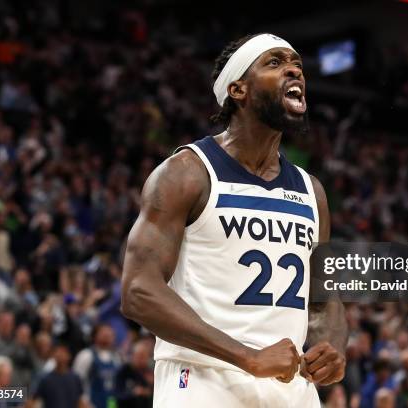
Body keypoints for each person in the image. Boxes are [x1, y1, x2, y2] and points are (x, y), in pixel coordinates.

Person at [121, 33, 347, 407]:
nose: (294, 70)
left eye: (297, 65)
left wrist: (333, 346)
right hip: (203, 379)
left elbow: (324, 298)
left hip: (290, 385)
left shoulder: (312, 191)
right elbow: (138, 291)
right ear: (238, 89)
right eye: (274, 63)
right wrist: (247, 356)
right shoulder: (186, 172)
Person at [29, 344, 87, 408]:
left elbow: (80, 401)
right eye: (57, 352)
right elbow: (32, 400)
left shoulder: (75, 378)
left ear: (69, 356)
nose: (59, 354)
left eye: (63, 352)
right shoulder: (45, 379)